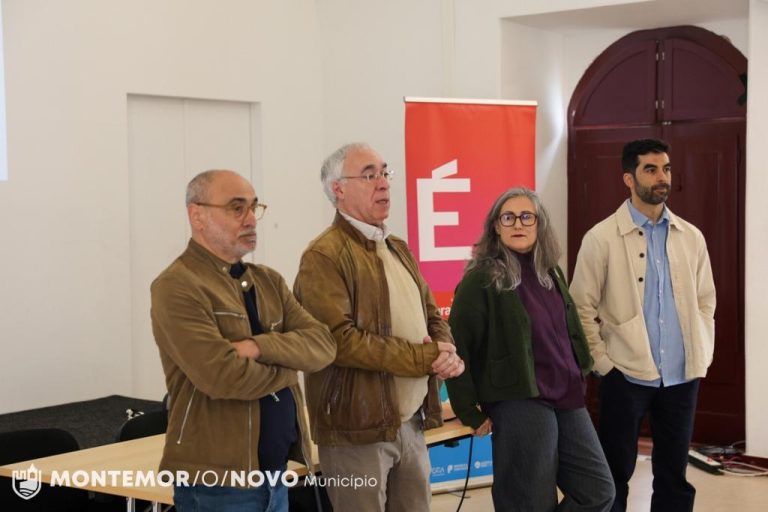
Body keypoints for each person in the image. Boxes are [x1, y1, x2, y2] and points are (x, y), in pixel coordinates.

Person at [292, 142, 465, 512]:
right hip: (356, 431)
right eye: (369, 175)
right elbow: (339, 340)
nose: (383, 183)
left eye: (385, 173)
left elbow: (432, 314)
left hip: (410, 422)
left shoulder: (397, 246)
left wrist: (445, 352)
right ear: (338, 189)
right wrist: (425, 358)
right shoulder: (323, 256)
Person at [151, 169, 336, 512]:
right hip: (218, 483)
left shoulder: (268, 281)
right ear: (197, 215)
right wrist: (290, 368)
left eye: (254, 207)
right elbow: (222, 376)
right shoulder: (177, 286)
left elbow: (324, 346)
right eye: (237, 208)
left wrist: (260, 347)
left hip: (276, 475)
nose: (250, 219)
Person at [445, 187, 615, 512]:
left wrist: (582, 365)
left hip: (566, 395)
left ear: (539, 224)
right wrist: (467, 409)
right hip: (520, 400)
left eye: (527, 216)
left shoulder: (550, 271)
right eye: (508, 217)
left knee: (598, 492)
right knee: (529, 503)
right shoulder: (481, 278)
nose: (518, 224)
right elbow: (457, 346)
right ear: (496, 226)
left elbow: (568, 328)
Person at [570, 139, 716, 512]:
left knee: (674, 474)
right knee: (614, 472)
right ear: (629, 179)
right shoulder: (601, 238)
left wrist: (701, 349)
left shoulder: (691, 236)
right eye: (650, 169)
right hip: (625, 374)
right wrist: (604, 364)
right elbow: (579, 307)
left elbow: (706, 300)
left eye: (666, 168)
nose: (661, 177)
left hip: (681, 374)